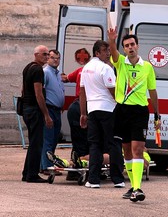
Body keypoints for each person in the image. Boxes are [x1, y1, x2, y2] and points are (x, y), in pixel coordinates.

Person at [108, 28, 161, 201]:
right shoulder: (120, 62)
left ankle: (137, 188)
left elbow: (152, 91)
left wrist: (157, 114)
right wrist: (111, 40)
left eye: (132, 44)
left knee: (137, 149)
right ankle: (133, 186)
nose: (130, 47)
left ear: (138, 46)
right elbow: (114, 54)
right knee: (127, 151)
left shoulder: (147, 67)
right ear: (123, 49)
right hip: (122, 111)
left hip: (139, 112)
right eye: (126, 46)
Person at [80, 40, 125, 188]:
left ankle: (93, 180)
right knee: (114, 143)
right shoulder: (105, 68)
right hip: (108, 110)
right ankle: (118, 179)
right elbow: (113, 91)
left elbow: (82, 92)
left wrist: (83, 113)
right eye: (105, 50)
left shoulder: (85, 69)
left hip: (93, 110)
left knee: (95, 145)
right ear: (97, 53)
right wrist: (121, 105)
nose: (108, 53)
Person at [21, 45, 53, 183]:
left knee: (34, 142)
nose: (47, 57)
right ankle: (32, 175)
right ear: (36, 54)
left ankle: (26, 173)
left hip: (27, 109)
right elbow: (38, 93)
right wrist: (46, 115)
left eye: (48, 54)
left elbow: (23, 89)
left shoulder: (28, 67)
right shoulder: (38, 69)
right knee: (37, 143)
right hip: (34, 110)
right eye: (44, 54)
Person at [61, 48, 91, 180]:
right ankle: (82, 170)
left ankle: (74, 171)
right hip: (86, 107)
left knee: (78, 140)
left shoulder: (80, 71)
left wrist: (57, 75)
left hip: (76, 107)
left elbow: (65, 79)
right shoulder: (98, 71)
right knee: (89, 140)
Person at [40, 50, 65, 175]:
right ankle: (46, 167)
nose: (55, 60)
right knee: (48, 139)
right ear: (48, 59)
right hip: (49, 109)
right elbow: (41, 92)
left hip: (57, 110)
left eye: (58, 58)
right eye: (53, 58)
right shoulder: (45, 72)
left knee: (54, 138)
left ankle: (47, 163)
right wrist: (46, 114)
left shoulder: (58, 73)